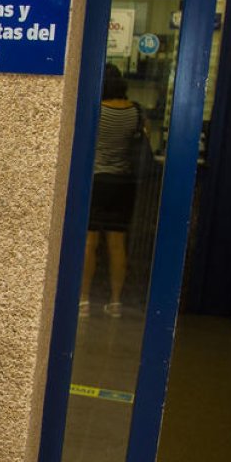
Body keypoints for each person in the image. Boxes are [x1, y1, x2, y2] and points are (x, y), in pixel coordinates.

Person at [80, 64, 147, 318]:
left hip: (97, 182)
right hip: (123, 184)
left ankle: (84, 300)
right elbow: (144, 140)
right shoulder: (137, 112)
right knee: (117, 243)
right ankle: (116, 301)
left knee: (90, 242)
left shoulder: (95, 111)